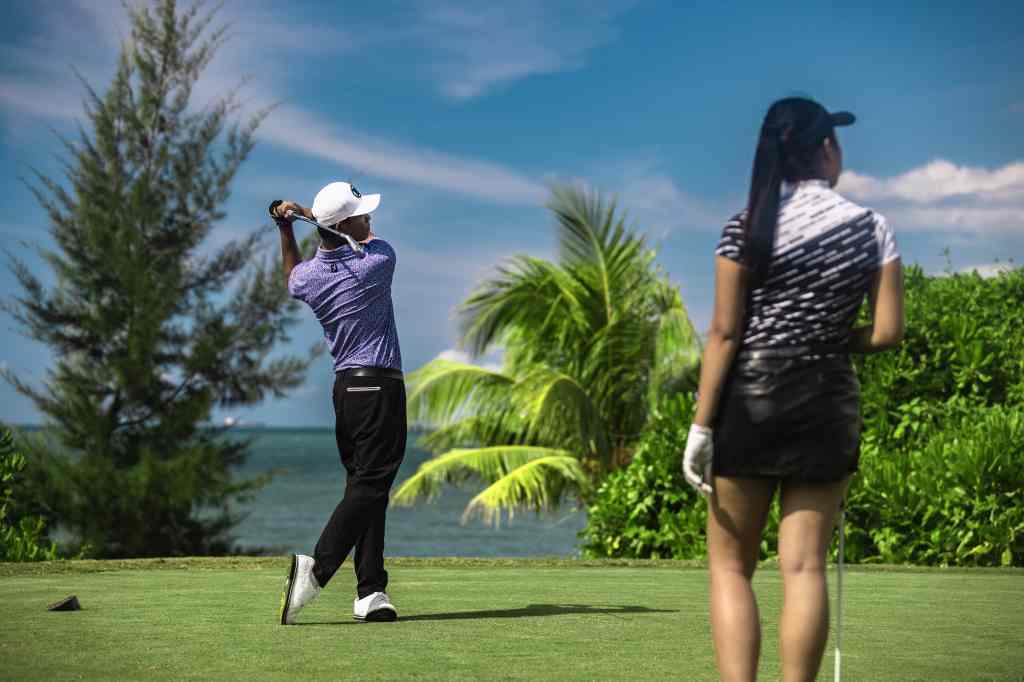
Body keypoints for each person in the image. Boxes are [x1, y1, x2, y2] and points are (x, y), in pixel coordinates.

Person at [682, 97, 904, 681]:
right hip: (827, 401)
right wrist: (827, 340)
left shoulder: (745, 226)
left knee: (732, 568)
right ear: (826, 147)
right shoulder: (871, 227)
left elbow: (725, 333)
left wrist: (700, 428)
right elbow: (886, 333)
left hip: (751, 404)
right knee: (802, 568)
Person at [270, 181, 406, 625]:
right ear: (346, 225)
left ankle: (370, 591)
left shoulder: (310, 278)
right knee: (372, 486)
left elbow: (291, 276)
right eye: (362, 215)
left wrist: (287, 229)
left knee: (365, 490)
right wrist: (311, 214)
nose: (370, 220)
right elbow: (365, 240)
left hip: (345, 392)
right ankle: (317, 569)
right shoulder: (377, 262)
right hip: (380, 388)